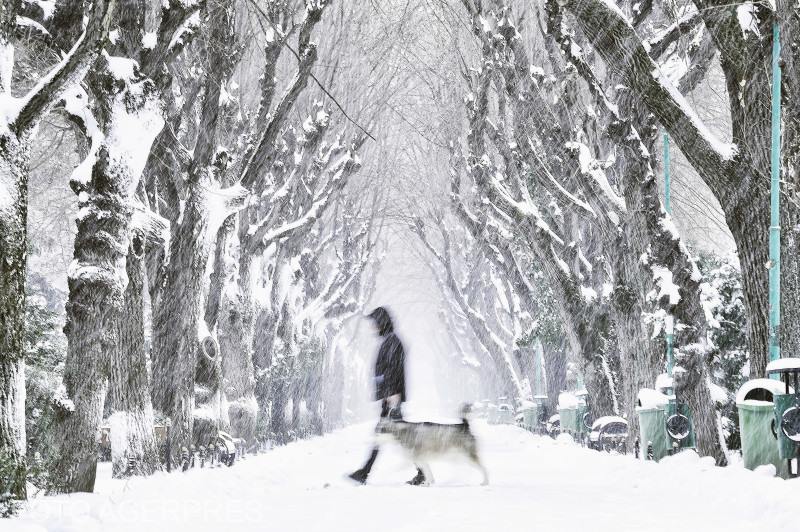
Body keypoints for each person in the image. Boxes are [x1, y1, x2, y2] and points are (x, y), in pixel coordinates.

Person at [347, 306, 425, 485]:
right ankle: (365, 472)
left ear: (381, 323)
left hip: (392, 399)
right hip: (390, 398)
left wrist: (391, 394)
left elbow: (393, 370)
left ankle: (422, 472)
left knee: (400, 437)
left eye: (374, 323)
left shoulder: (392, 341)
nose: (372, 327)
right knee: (386, 435)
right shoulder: (389, 340)